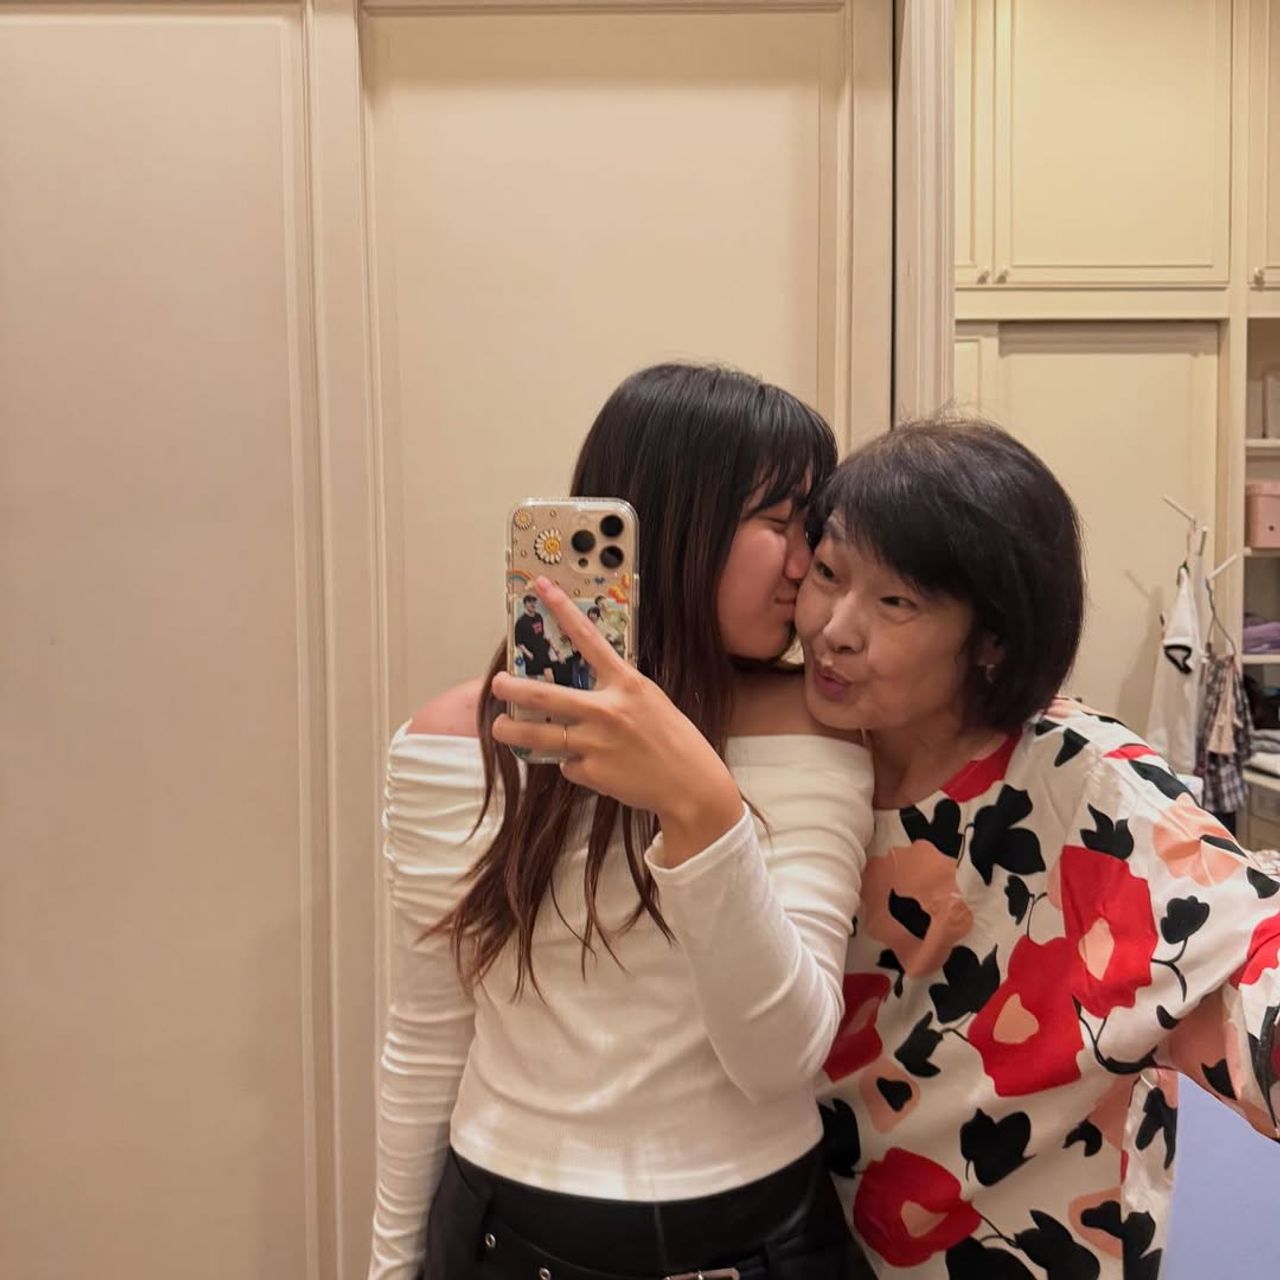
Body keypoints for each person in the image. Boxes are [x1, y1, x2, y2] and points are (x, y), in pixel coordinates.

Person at [368, 363, 877, 1280]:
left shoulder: (814, 732)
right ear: (674, 523)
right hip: (499, 1223)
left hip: (756, 1229)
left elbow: (780, 1058)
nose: (805, 566)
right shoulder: (456, 742)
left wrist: (701, 807)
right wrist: (389, 1267)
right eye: (777, 523)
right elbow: (428, 1033)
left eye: (813, 529)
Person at [791, 419, 1280, 1279]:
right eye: (828, 574)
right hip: (809, 1244)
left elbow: (1249, 953)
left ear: (992, 637)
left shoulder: (1086, 782)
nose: (834, 628)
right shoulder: (785, 750)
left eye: (895, 603)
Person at [513, 594, 555, 682]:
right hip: (531, 654)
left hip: (542, 652)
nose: (532, 604)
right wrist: (528, 654)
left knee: (550, 677)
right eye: (529, 602)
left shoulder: (539, 617)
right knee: (533, 682)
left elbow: (543, 634)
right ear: (525, 604)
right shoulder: (520, 622)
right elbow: (519, 643)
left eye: (534, 602)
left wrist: (550, 647)